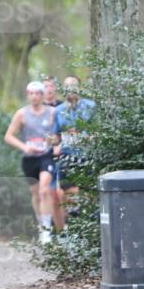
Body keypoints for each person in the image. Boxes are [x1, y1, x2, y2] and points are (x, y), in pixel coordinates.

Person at [4, 81, 56, 245]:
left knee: (44, 190)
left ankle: (47, 231)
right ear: (28, 95)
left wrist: (55, 141)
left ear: (42, 95)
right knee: (35, 194)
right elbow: (9, 136)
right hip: (29, 158)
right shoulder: (22, 114)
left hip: (46, 155)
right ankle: (41, 225)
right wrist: (24, 147)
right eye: (31, 93)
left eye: (38, 93)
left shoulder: (52, 112)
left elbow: (62, 131)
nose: (34, 97)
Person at [51, 75, 96, 230]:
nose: (70, 89)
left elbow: (100, 131)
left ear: (79, 88)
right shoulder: (58, 110)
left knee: (89, 194)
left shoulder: (91, 106)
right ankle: (71, 227)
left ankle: (87, 225)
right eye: (67, 86)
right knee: (65, 192)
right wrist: (52, 143)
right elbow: (55, 136)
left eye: (73, 85)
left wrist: (90, 136)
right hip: (67, 155)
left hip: (87, 156)